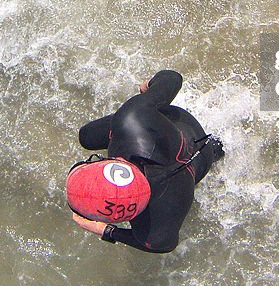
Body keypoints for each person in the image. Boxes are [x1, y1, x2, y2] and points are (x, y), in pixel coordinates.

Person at [68, 69, 223, 253]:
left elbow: (164, 247)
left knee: (88, 136)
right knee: (86, 136)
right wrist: (148, 88)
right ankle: (219, 147)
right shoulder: (132, 118)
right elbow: (173, 78)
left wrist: (108, 231)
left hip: (195, 158)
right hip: (179, 131)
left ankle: (218, 148)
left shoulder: (155, 224)